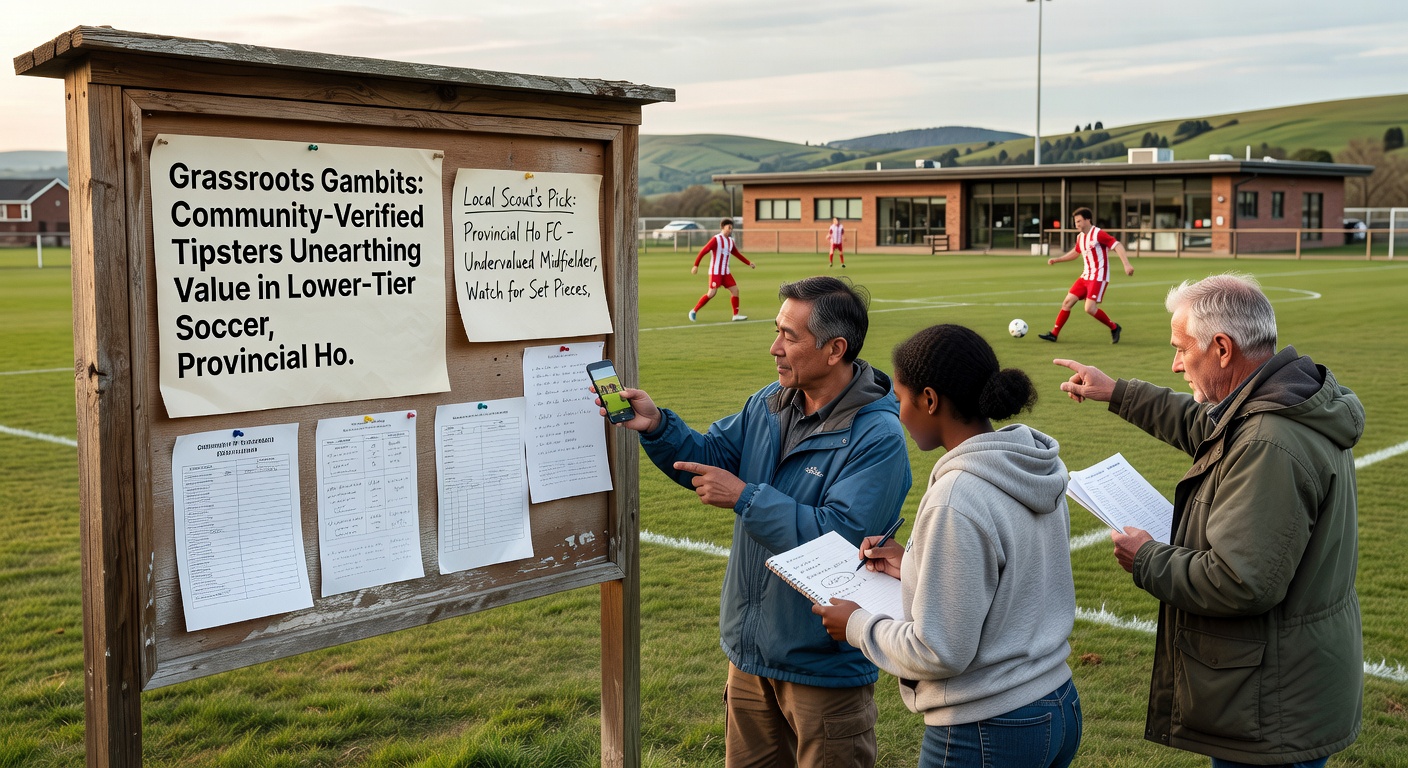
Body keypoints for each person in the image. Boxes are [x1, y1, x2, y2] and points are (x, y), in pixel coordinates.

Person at [1053, 273, 1363, 767]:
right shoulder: (1280, 399)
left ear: (1222, 347)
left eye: (1181, 348)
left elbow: (1240, 582)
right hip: (1283, 686)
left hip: (1270, 703)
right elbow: (1206, 425)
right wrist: (1117, 393)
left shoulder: (1269, 441)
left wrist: (1146, 558)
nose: (1175, 364)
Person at [605, 275, 912, 767]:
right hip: (750, 655)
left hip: (820, 666)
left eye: (789, 336)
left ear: (835, 349)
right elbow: (710, 455)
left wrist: (746, 498)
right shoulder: (768, 403)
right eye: (777, 331)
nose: (774, 347)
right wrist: (659, 426)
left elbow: (843, 540)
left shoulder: (877, 437)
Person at [814, 324, 1082, 768]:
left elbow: (939, 649)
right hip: (1057, 704)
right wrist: (916, 564)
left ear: (930, 400)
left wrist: (858, 625)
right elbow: (1012, 574)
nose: (899, 413)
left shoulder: (957, 496)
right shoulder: (1030, 465)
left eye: (901, 398)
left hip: (986, 726)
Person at [1038, 207, 1133, 343]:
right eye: (1075, 222)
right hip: (1085, 276)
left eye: (1079, 221)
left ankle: (1114, 327)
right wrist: (1057, 259)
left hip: (1098, 276)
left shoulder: (1098, 234)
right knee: (1067, 302)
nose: (1076, 224)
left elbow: (1117, 245)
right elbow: (1076, 253)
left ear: (1088, 220)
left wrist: (1126, 264)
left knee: (1089, 308)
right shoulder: (1080, 237)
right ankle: (1054, 334)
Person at [690, 218, 756, 322]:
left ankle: (735, 315)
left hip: (725, 272)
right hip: (715, 272)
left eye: (731, 228)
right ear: (723, 227)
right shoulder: (716, 239)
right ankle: (694, 311)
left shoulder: (730, 241)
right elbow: (704, 251)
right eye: (729, 227)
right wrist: (696, 265)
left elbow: (736, 254)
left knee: (735, 290)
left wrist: (748, 263)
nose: (730, 230)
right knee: (711, 293)